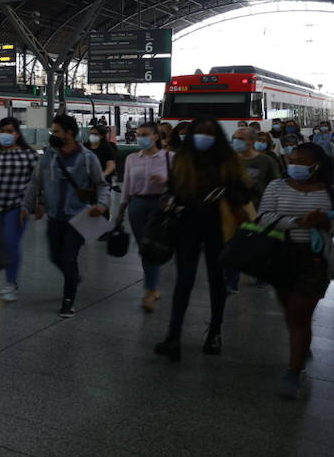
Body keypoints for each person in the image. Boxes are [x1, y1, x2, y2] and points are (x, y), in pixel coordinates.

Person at [257, 144, 334, 399]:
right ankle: (301, 346)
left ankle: (294, 370)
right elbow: (263, 217)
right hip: (280, 255)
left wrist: (327, 223)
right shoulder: (276, 187)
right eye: (291, 161)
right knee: (290, 311)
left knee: (299, 314)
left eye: (300, 162)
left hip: (314, 259)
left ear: (316, 165)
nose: (294, 166)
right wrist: (297, 222)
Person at [153, 116, 250, 360]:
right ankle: (173, 335)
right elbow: (172, 190)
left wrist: (225, 193)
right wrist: (169, 200)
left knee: (217, 281)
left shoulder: (229, 162)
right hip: (187, 226)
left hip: (219, 227)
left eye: (208, 132)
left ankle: (215, 332)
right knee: (183, 280)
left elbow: (245, 193)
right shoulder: (182, 160)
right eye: (199, 131)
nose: (202, 136)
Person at [23, 114, 109, 319]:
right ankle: (74, 277)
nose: (53, 135)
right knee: (55, 256)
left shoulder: (88, 158)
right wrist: (29, 205)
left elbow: (102, 184)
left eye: (57, 131)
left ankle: (68, 301)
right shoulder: (49, 157)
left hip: (78, 217)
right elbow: (36, 182)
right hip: (55, 217)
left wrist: (102, 204)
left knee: (69, 257)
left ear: (70, 133)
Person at [0, 116, 38, 303]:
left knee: (11, 243)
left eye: (10, 131)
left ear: (18, 134)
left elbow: (37, 182)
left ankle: (11, 283)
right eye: (2, 131)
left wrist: (38, 204)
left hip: (17, 207)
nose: (5, 135)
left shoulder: (29, 155)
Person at [115, 121, 169, 311]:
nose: (141, 138)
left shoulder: (169, 157)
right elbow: (127, 187)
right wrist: (121, 211)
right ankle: (152, 287)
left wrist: (166, 181)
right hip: (137, 205)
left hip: (160, 206)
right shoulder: (131, 158)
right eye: (138, 134)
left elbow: (181, 182)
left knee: (151, 247)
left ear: (156, 137)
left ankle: (151, 289)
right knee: (144, 247)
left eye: (145, 134)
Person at [225, 125, 283, 293]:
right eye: (235, 138)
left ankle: (262, 275)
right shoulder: (229, 160)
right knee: (232, 245)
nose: (236, 142)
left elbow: (276, 184)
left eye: (241, 139)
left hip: (258, 209)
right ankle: (231, 281)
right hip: (233, 209)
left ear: (252, 141)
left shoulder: (266, 161)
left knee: (258, 246)